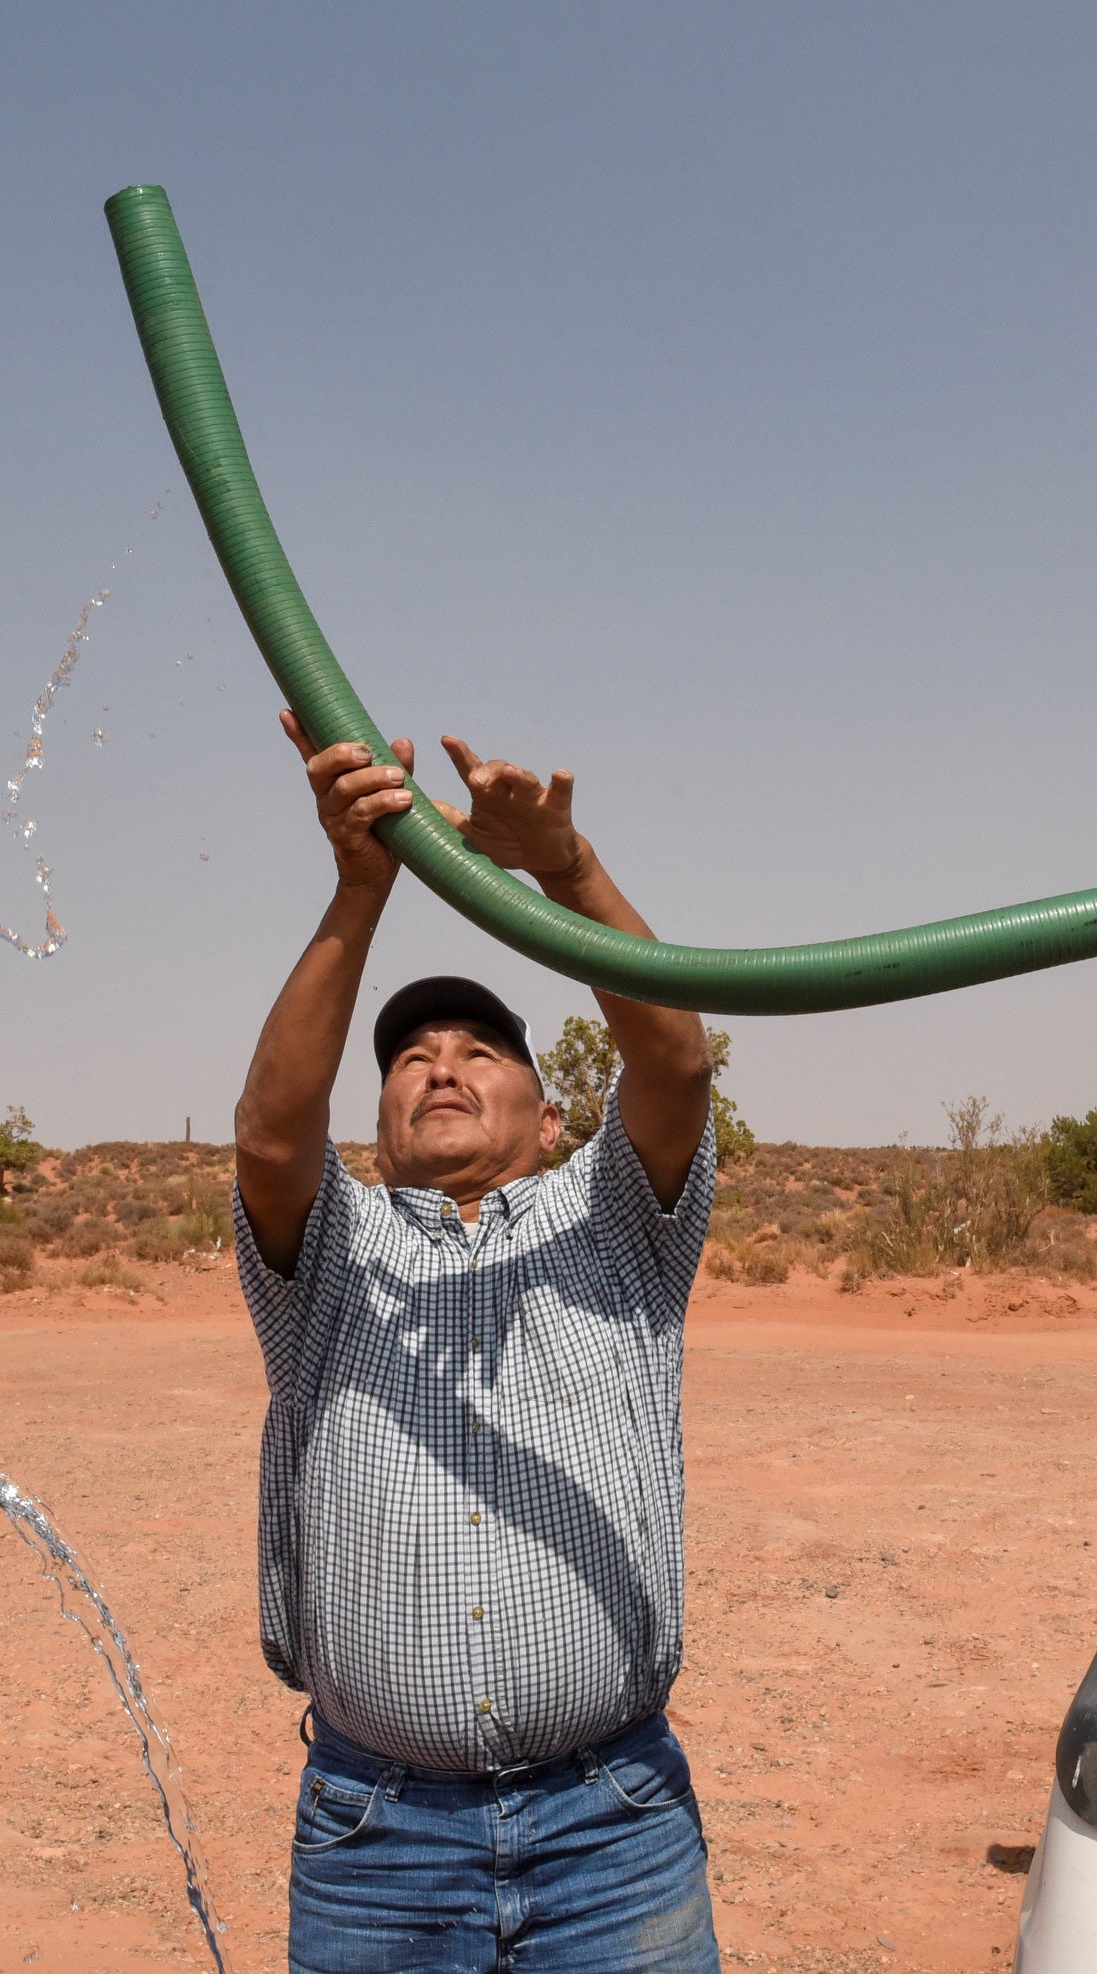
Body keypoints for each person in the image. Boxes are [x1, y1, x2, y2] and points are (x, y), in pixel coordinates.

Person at [231, 710, 721, 1973]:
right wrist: (358, 893)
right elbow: (269, 1138)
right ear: (380, 1117)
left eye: (479, 1050)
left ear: (550, 1116)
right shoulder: (330, 1250)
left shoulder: (617, 1222)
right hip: (377, 1836)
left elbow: (671, 1059)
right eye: (408, 1058)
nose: (438, 1067)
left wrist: (564, 872)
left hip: (610, 1822)